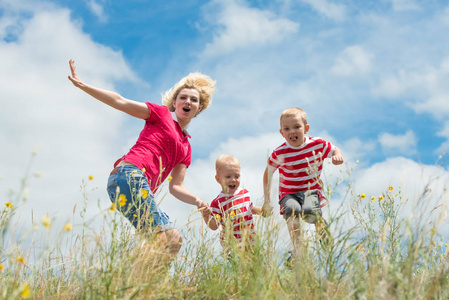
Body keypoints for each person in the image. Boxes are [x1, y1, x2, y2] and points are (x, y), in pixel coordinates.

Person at [68, 59, 215, 257]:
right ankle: (138, 285)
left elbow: (176, 187)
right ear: (175, 103)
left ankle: (136, 285)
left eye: (193, 100)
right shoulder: (161, 114)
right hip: (130, 174)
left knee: (172, 241)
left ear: (199, 108)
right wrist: (83, 85)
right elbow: (120, 101)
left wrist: (198, 201)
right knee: (166, 237)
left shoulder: (186, 147)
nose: (188, 102)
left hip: (133, 186)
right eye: (183, 97)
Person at [263, 107, 344, 259]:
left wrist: (337, 156)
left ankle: (324, 235)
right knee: (291, 211)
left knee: (310, 214)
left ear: (306, 129)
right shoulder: (280, 153)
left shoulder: (317, 144)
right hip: (289, 193)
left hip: (310, 190)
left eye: (297, 127)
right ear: (281, 132)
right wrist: (267, 200)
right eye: (287, 129)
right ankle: (298, 249)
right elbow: (268, 172)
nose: (292, 131)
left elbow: (334, 150)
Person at [202, 155, 265, 251]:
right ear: (218, 179)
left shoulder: (244, 193)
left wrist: (262, 211)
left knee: (260, 265)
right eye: (228, 177)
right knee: (241, 265)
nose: (233, 179)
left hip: (251, 240)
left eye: (237, 176)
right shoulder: (218, 202)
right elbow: (214, 226)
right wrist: (206, 216)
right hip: (233, 245)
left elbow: (250, 208)